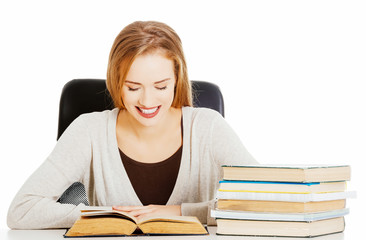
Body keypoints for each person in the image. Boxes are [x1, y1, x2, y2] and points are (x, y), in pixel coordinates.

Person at [7, 21, 257, 229]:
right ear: (116, 81)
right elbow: (21, 210)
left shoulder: (208, 129)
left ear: (177, 79)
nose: (147, 101)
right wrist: (110, 216)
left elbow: (267, 200)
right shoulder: (89, 131)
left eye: (160, 86)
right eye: (133, 87)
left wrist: (180, 211)